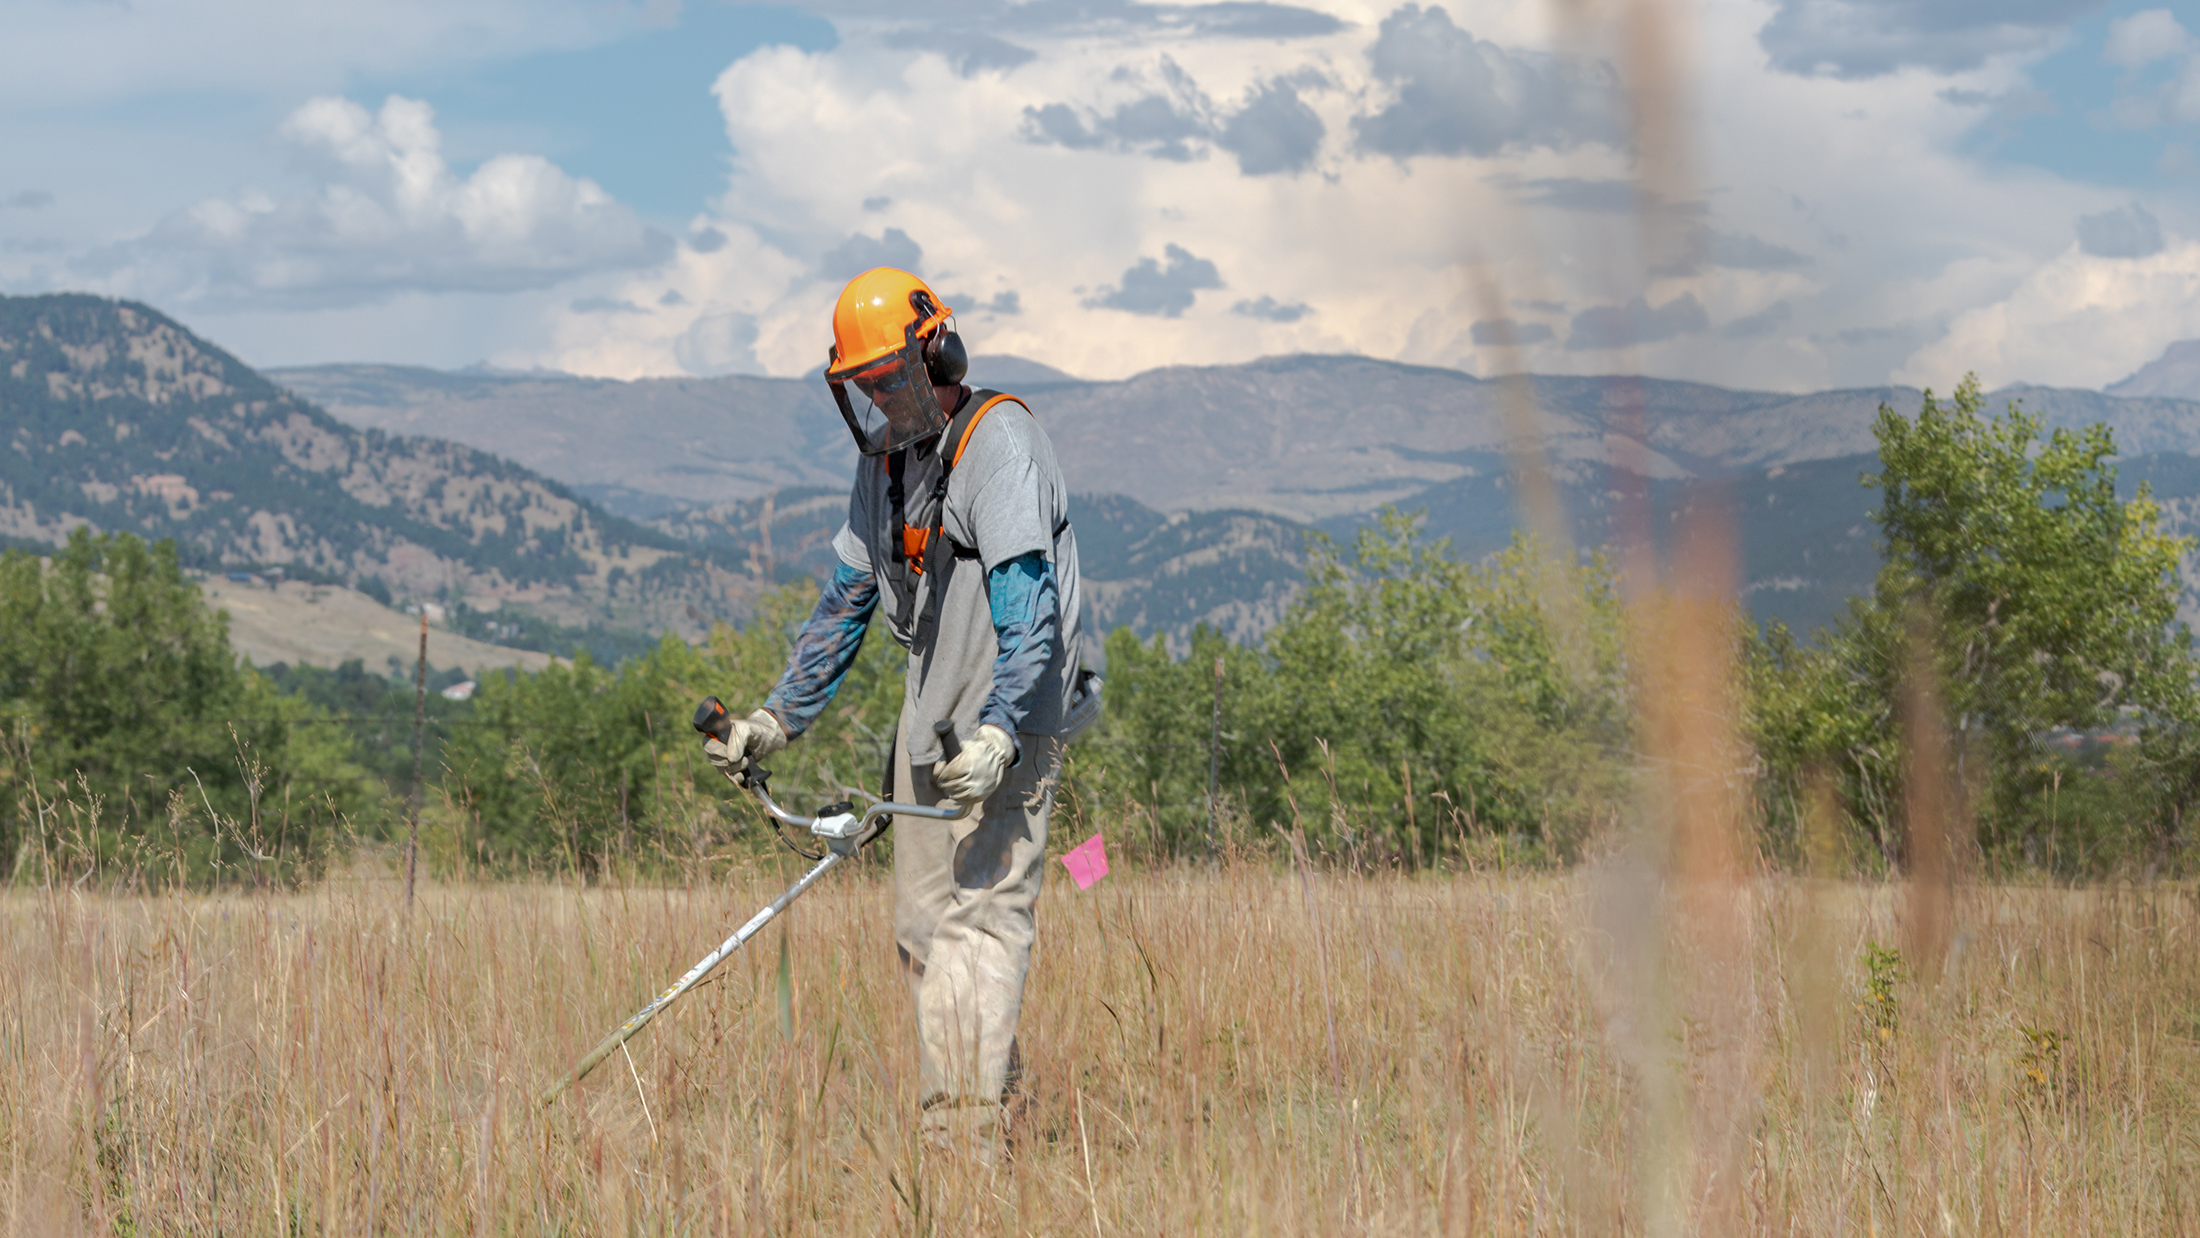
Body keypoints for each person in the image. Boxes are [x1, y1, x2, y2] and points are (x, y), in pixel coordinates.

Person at [702, 267, 1095, 1163]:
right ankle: (994, 1110)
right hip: (929, 726)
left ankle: (964, 1148)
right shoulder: (881, 466)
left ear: (940, 353)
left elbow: (1028, 607)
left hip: (1010, 728)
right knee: (925, 934)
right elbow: (846, 601)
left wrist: (1003, 729)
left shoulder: (1001, 445)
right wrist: (775, 720)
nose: (880, 396)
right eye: (865, 384)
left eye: (892, 377)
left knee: (982, 921)